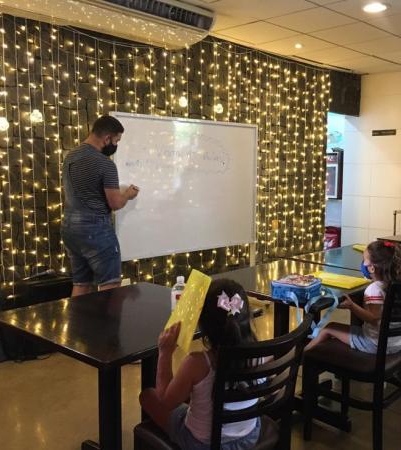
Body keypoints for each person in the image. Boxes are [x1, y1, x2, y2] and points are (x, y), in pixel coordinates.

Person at [140, 279, 261, 450]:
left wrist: (165, 353)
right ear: (246, 315)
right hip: (249, 436)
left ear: (203, 323)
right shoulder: (260, 354)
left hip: (203, 444)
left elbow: (165, 402)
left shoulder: (197, 363)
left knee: (147, 396)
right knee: (196, 392)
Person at [61, 115, 139, 297]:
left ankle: (77, 325)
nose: (116, 145)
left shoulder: (70, 157)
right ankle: (109, 326)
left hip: (70, 228)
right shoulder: (105, 164)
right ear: (107, 139)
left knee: (81, 282)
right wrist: (127, 194)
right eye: (116, 140)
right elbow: (115, 203)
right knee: (109, 285)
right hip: (95, 230)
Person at [305, 240, 401, 355]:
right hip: (397, 343)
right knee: (337, 327)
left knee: (328, 329)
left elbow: (373, 318)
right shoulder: (398, 284)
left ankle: (302, 357)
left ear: (372, 268)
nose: (362, 263)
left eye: (364, 260)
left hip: (375, 344)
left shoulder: (374, 289)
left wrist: (352, 306)